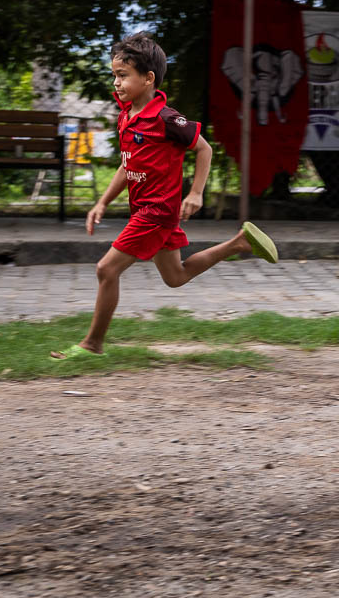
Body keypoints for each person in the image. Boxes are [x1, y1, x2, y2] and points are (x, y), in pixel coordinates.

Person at [48, 32, 279, 360]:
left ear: (148, 78)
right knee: (175, 276)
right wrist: (102, 202)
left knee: (106, 269)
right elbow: (127, 165)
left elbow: (204, 149)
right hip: (146, 210)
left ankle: (92, 345)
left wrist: (195, 193)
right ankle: (239, 243)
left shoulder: (166, 119)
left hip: (156, 212)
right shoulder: (126, 116)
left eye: (123, 76)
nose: (116, 83)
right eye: (114, 75)